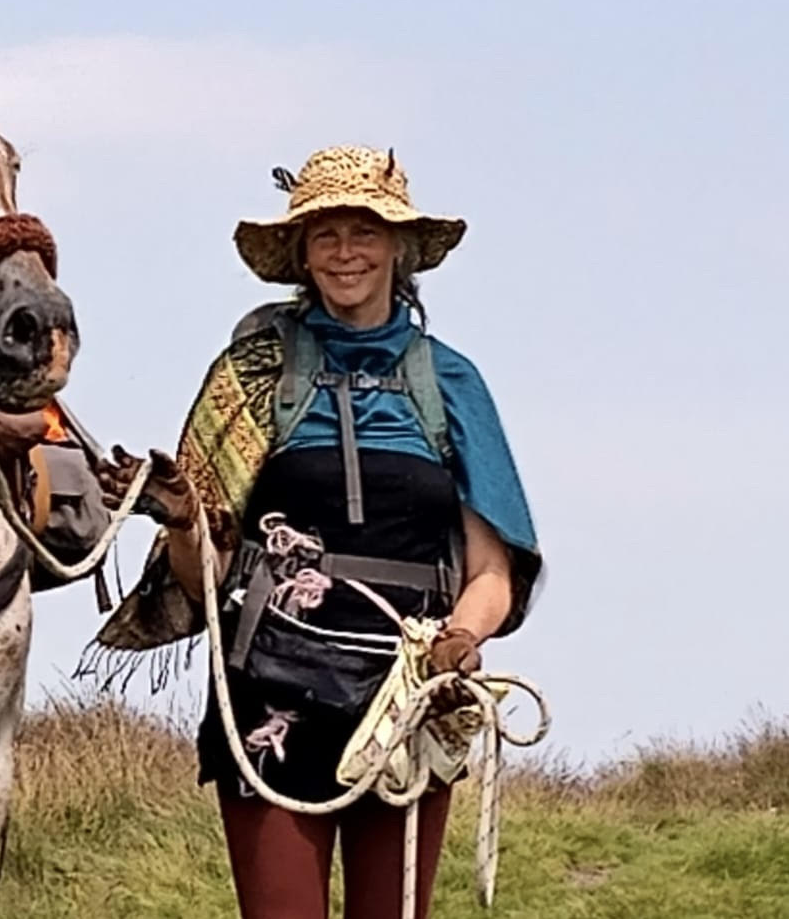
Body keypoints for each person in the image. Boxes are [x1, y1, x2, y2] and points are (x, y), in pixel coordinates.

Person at [94, 145, 542, 919]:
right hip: (270, 683)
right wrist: (182, 518)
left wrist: (460, 643)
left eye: (364, 233)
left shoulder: (451, 383)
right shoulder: (251, 374)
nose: (345, 253)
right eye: (325, 235)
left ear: (399, 249)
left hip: (408, 693)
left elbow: (491, 571)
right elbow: (208, 569)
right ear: (301, 254)